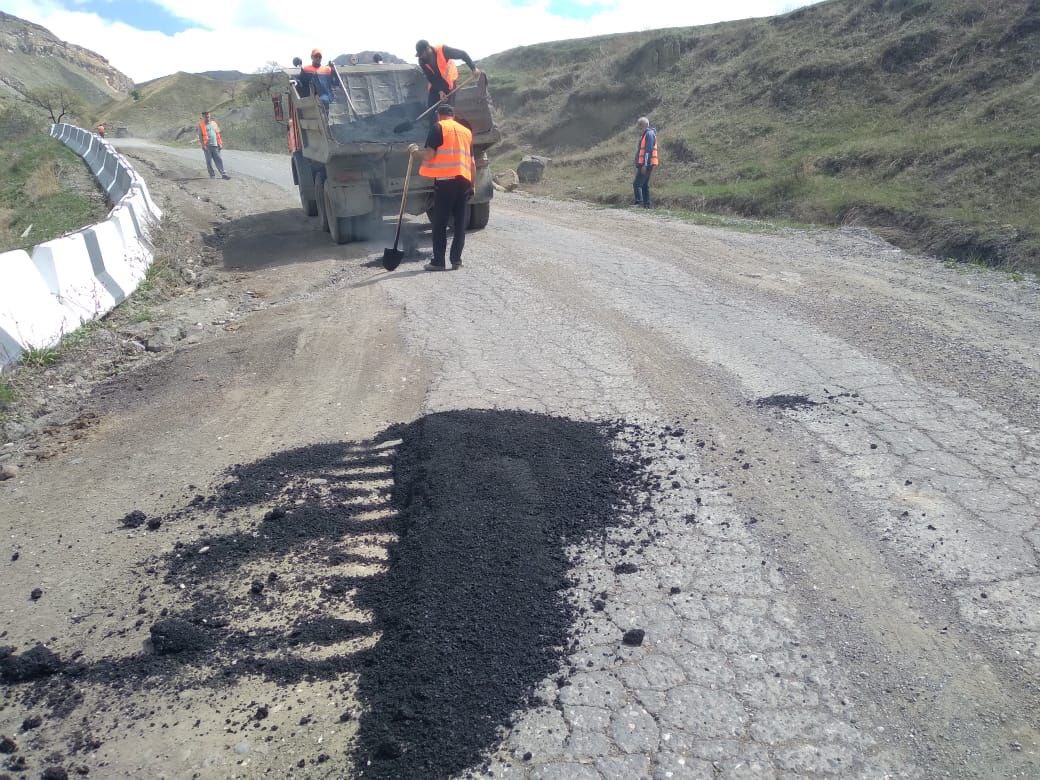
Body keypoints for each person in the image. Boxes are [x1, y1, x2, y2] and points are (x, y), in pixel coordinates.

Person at [409, 103, 475, 271]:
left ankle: (438, 261)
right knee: (460, 223)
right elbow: (472, 163)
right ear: (452, 115)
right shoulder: (466, 132)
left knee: (440, 223)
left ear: (439, 115)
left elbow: (430, 154)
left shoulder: (438, 128)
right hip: (464, 182)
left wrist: (415, 152)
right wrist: (472, 185)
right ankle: (456, 260)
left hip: (446, 182)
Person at [415, 40, 480, 110]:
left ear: (428, 49)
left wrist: (473, 68)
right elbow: (431, 78)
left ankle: (449, 118)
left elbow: (462, 54)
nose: (421, 56)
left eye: (422, 54)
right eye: (420, 55)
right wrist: (440, 91)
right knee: (431, 107)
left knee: (448, 109)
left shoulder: (443, 50)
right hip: (436, 82)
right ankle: (433, 120)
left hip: (449, 79)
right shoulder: (421, 61)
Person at [633, 116, 658, 208]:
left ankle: (639, 203)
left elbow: (648, 150)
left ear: (645, 125)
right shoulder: (646, 134)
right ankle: (647, 204)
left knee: (637, 184)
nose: (639, 128)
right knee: (644, 185)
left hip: (646, 164)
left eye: (640, 125)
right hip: (646, 164)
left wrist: (644, 165)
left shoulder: (649, 134)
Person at [198, 111, 230, 180]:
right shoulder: (201, 125)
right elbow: (200, 136)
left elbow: (218, 134)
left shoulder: (214, 123)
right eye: (206, 117)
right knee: (209, 161)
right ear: (203, 117)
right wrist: (203, 145)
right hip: (207, 146)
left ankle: (223, 174)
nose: (207, 118)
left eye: (208, 116)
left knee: (219, 160)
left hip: (215, 145)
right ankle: (212, 175)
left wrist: (220, 143)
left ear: (210, 116)